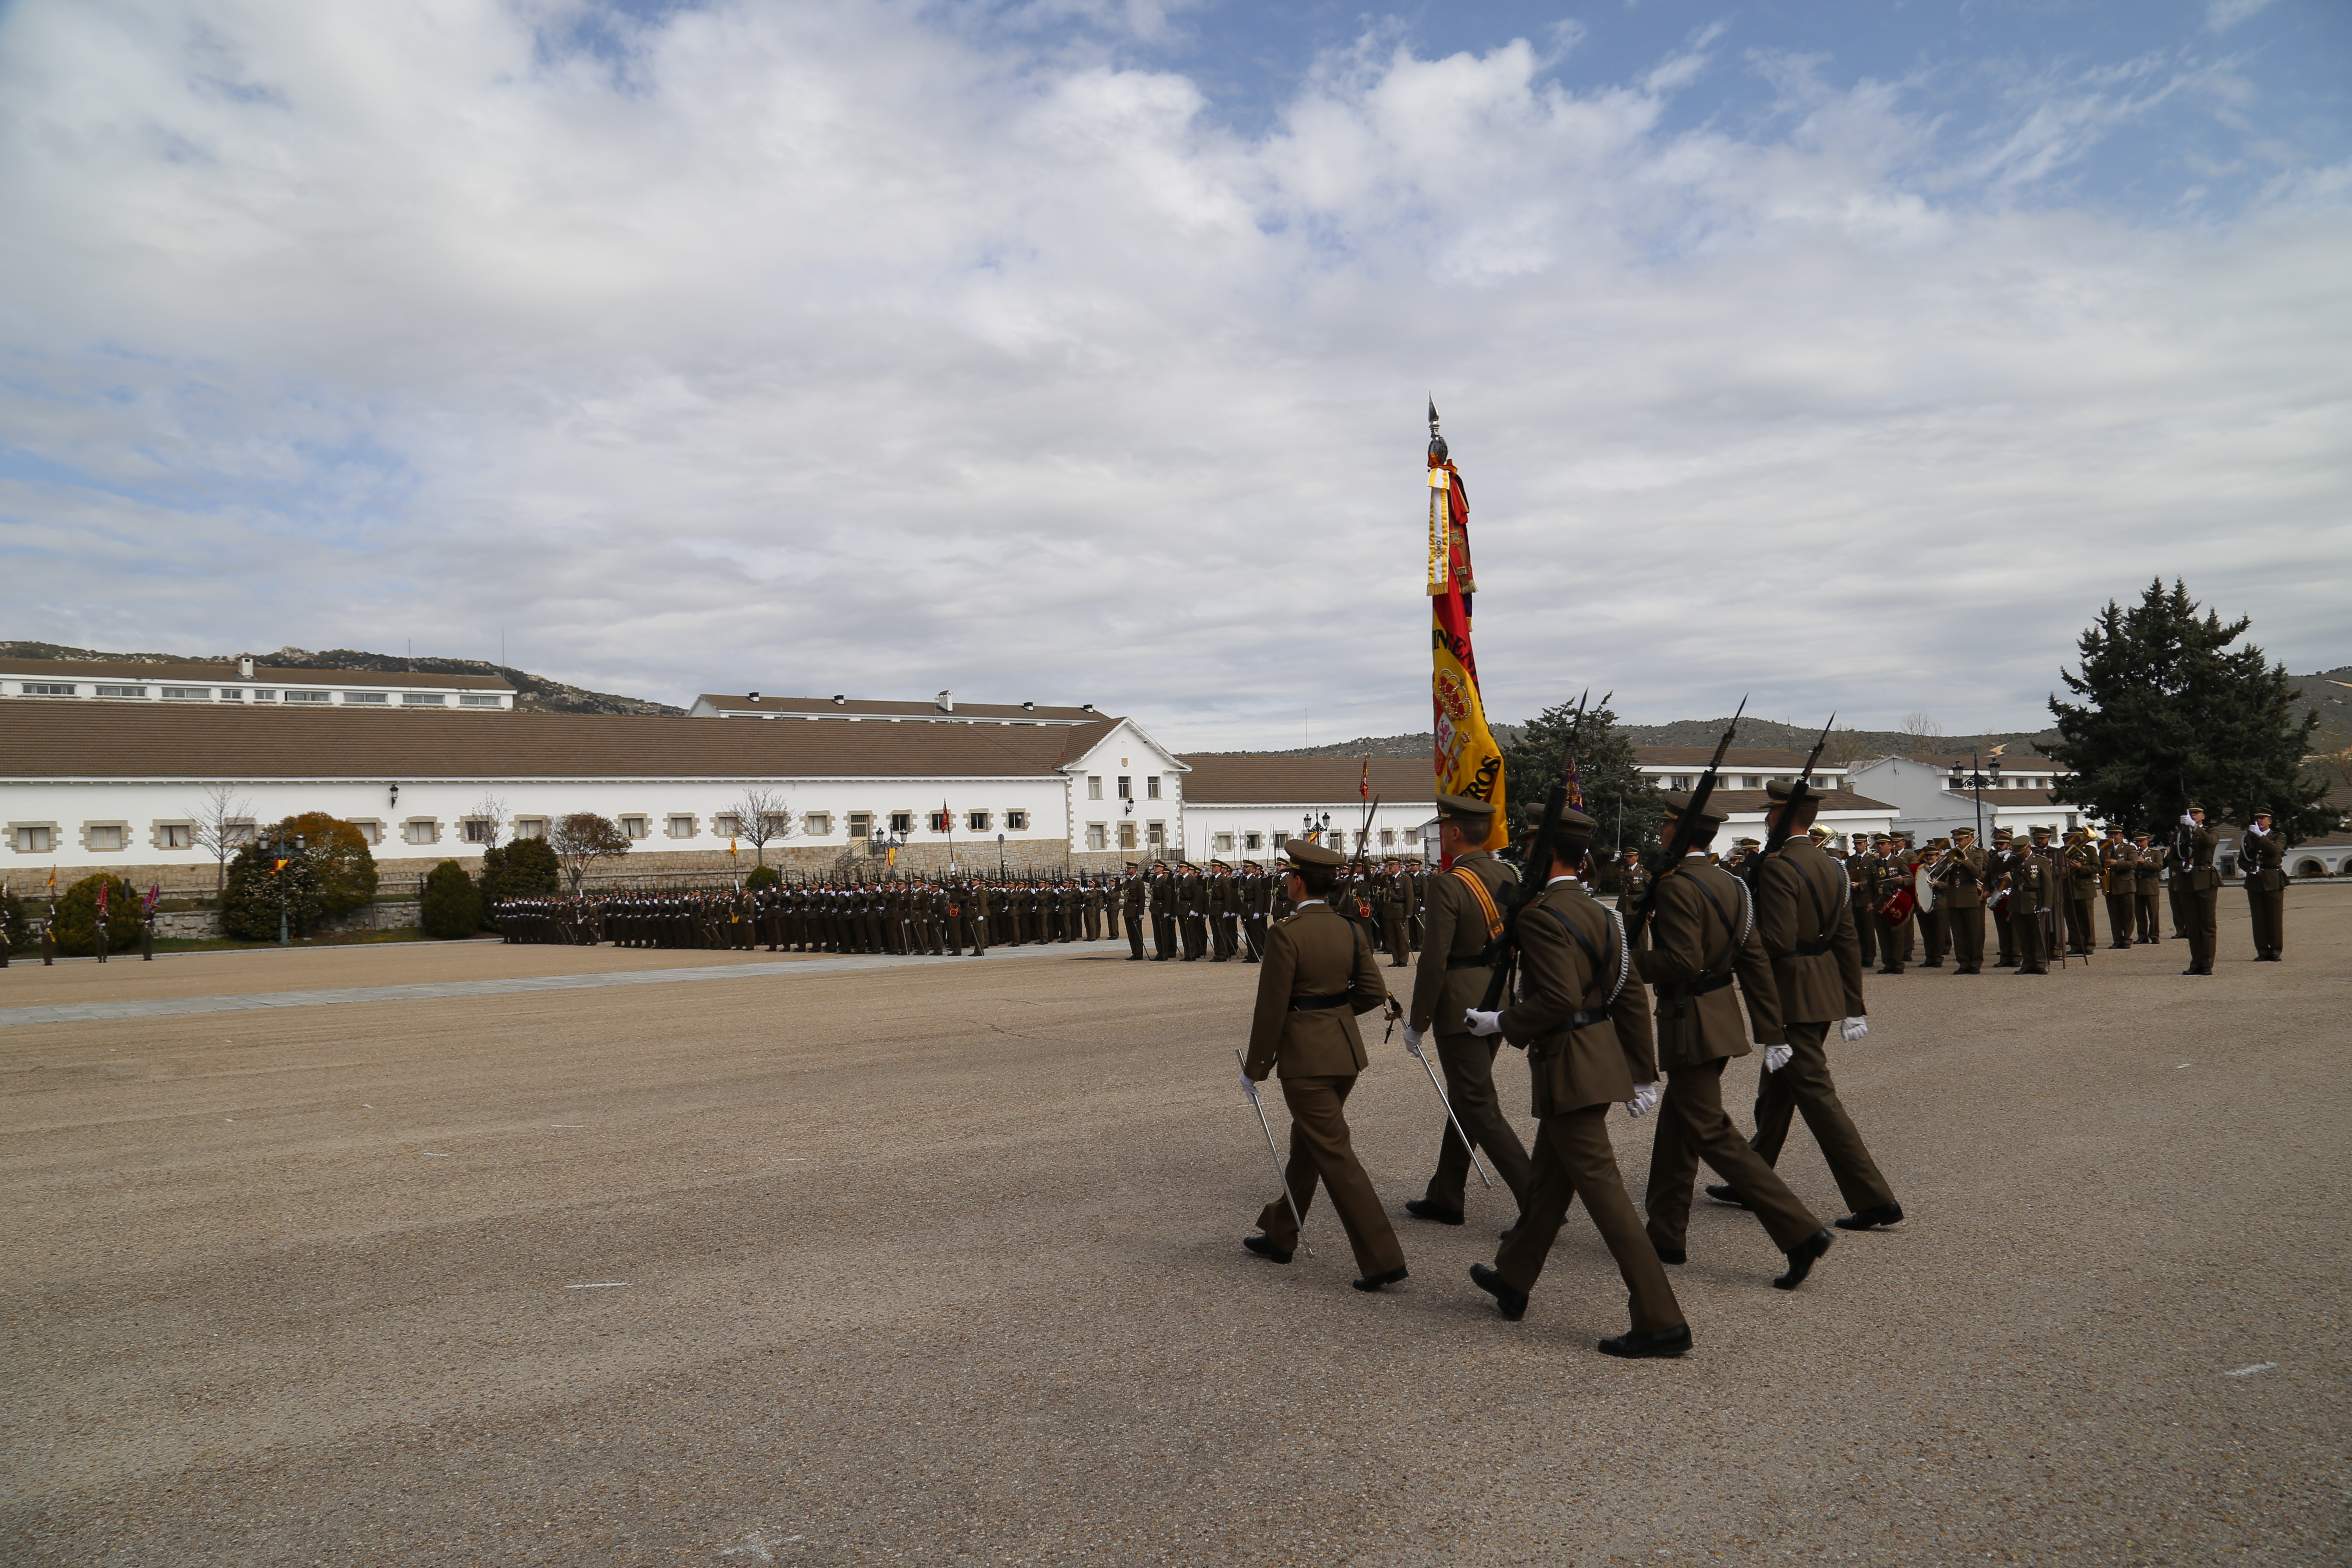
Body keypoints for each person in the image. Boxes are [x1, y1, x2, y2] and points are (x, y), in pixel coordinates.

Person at [1460, 808, 1689, 1359]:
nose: (1525, 857)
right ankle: (1515, 1277)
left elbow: (1559, 998)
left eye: (1530, 848)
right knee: (1549, 1181)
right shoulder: (1601, 913)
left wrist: (1501, 1022)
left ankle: (1661, 1319)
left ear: (1545, 854)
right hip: (1597, 1059)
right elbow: (1627, 993)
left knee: (1605, 1194)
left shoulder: (1542, 916)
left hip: (1567, 1065)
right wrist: (1641, 1070)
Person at [1635, 792, 1836, 1290]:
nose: (1661, 831)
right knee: (1678, 1126)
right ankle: (1665, 1233)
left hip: (1690, 1021)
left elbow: (1682, 961)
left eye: (1666, 824)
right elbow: (1754, 958)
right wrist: (1771, 1031)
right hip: (1720, 1017)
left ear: (1677, 833)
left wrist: (1622, 962)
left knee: (1710, 1131)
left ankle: (1800, 1232)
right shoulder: (1732, 882)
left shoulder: (1676, 886)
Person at [1710, 781, 1902, 1231]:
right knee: (1776, 1093)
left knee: (1816, 1096)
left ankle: (1875, 1198)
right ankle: (1752, 1181)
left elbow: (1777, 939)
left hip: (1791, 993)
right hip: (1822, 988)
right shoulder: (1832, 865)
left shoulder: (1780, 867)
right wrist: (1853, 1003)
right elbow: (1846, 937)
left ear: (1782, 817)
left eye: (1770, 812)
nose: (1766, 819)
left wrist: (1733, 944)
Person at [1240, 840, 1408, 1291]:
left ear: (1297, 882)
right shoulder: (1350, 929)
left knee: (1333, 1154)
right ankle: (1282, 1231)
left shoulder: (1286, 933)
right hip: (1343, 1053)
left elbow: (1272, 1007)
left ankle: (1383, 1258)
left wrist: (1256, 1067)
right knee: (1309, 1146)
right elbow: (1371, 991)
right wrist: (1332, 1014)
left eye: (1288, 877)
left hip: (1307, 1060)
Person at [1402, 793, 1532, 1226]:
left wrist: (1418, 1022)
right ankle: (1447, 1194)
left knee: (1478, 1103)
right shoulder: (1507, 874)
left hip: (1461, 1004)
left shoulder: (1449, 883)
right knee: (1466, 1098)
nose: (1441, 836)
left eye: (1443, 829)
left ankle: (1537, 1200)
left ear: (1456, 832)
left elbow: (1434, 959)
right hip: (1497, 996)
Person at [2177, 805, 2222, 975]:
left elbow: (2209, 842)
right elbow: (2173, 858)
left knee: (2207, 924)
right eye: (2190, 813)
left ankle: (2207, 963)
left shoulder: (2212, 831)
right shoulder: (2179, 835)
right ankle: (2196, 962)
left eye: (2196, 813)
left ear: (2203, 816)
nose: (2192, 815)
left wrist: (2194, 827)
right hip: (2186, 881)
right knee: (2192, 926)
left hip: (2205, 880)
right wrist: (2180, 867)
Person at [1936, 827, 1988, 974]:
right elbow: (1939, 874)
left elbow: (1978, 873)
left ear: (1968, 839)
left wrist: (1965, 859)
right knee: (1958, 933)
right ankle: (1963, 963)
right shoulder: (1950, 855)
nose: (1957, 843)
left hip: (1970, 896)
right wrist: (1948, 865)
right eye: (1955, 840)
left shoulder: (1977, 854)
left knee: (1974, 932)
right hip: (1953, 896)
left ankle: (1976, 963)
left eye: (1960, 840)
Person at [2239, 811, 2286, 961]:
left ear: (2270, 821)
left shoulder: (2278, 836)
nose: (2259, 821)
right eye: (2257, 819)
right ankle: (2262, 950)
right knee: (2258, 919)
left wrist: (2260, 836)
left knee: (2274, 918)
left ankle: (2275, 950)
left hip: (2273, 880)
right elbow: (2242, 860)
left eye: (2263, 818)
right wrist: (2250, 868)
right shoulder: (2247, 838)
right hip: (2255, 881)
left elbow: (2275, 851)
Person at [2098, 826, 2139, 951]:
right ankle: (2117, 940)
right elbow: (2101, 866)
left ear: (2122, 836)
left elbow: (2133, 864)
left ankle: (2127, 939)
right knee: (2114, 915)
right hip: (2110, 885)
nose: (2113, 836)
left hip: (2125, 884)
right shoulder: (2104, 849)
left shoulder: (2129, 848)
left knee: (2128, 915)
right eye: (2111, 834)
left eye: (2116, 834)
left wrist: (2117, 863)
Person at [2132, 833, 2164, 944]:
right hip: (2137, 885)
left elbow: (2159, 867)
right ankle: (2142, 936)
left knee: (2153, 913)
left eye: (2141, 841)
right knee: (2140, 913)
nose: (2139, 844)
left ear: (2147, 841)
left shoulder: (2155, 853)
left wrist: (2144, 862)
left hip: (2151, 885)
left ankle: (2154, 935)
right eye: (2137, 842)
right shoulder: (2134, 854)